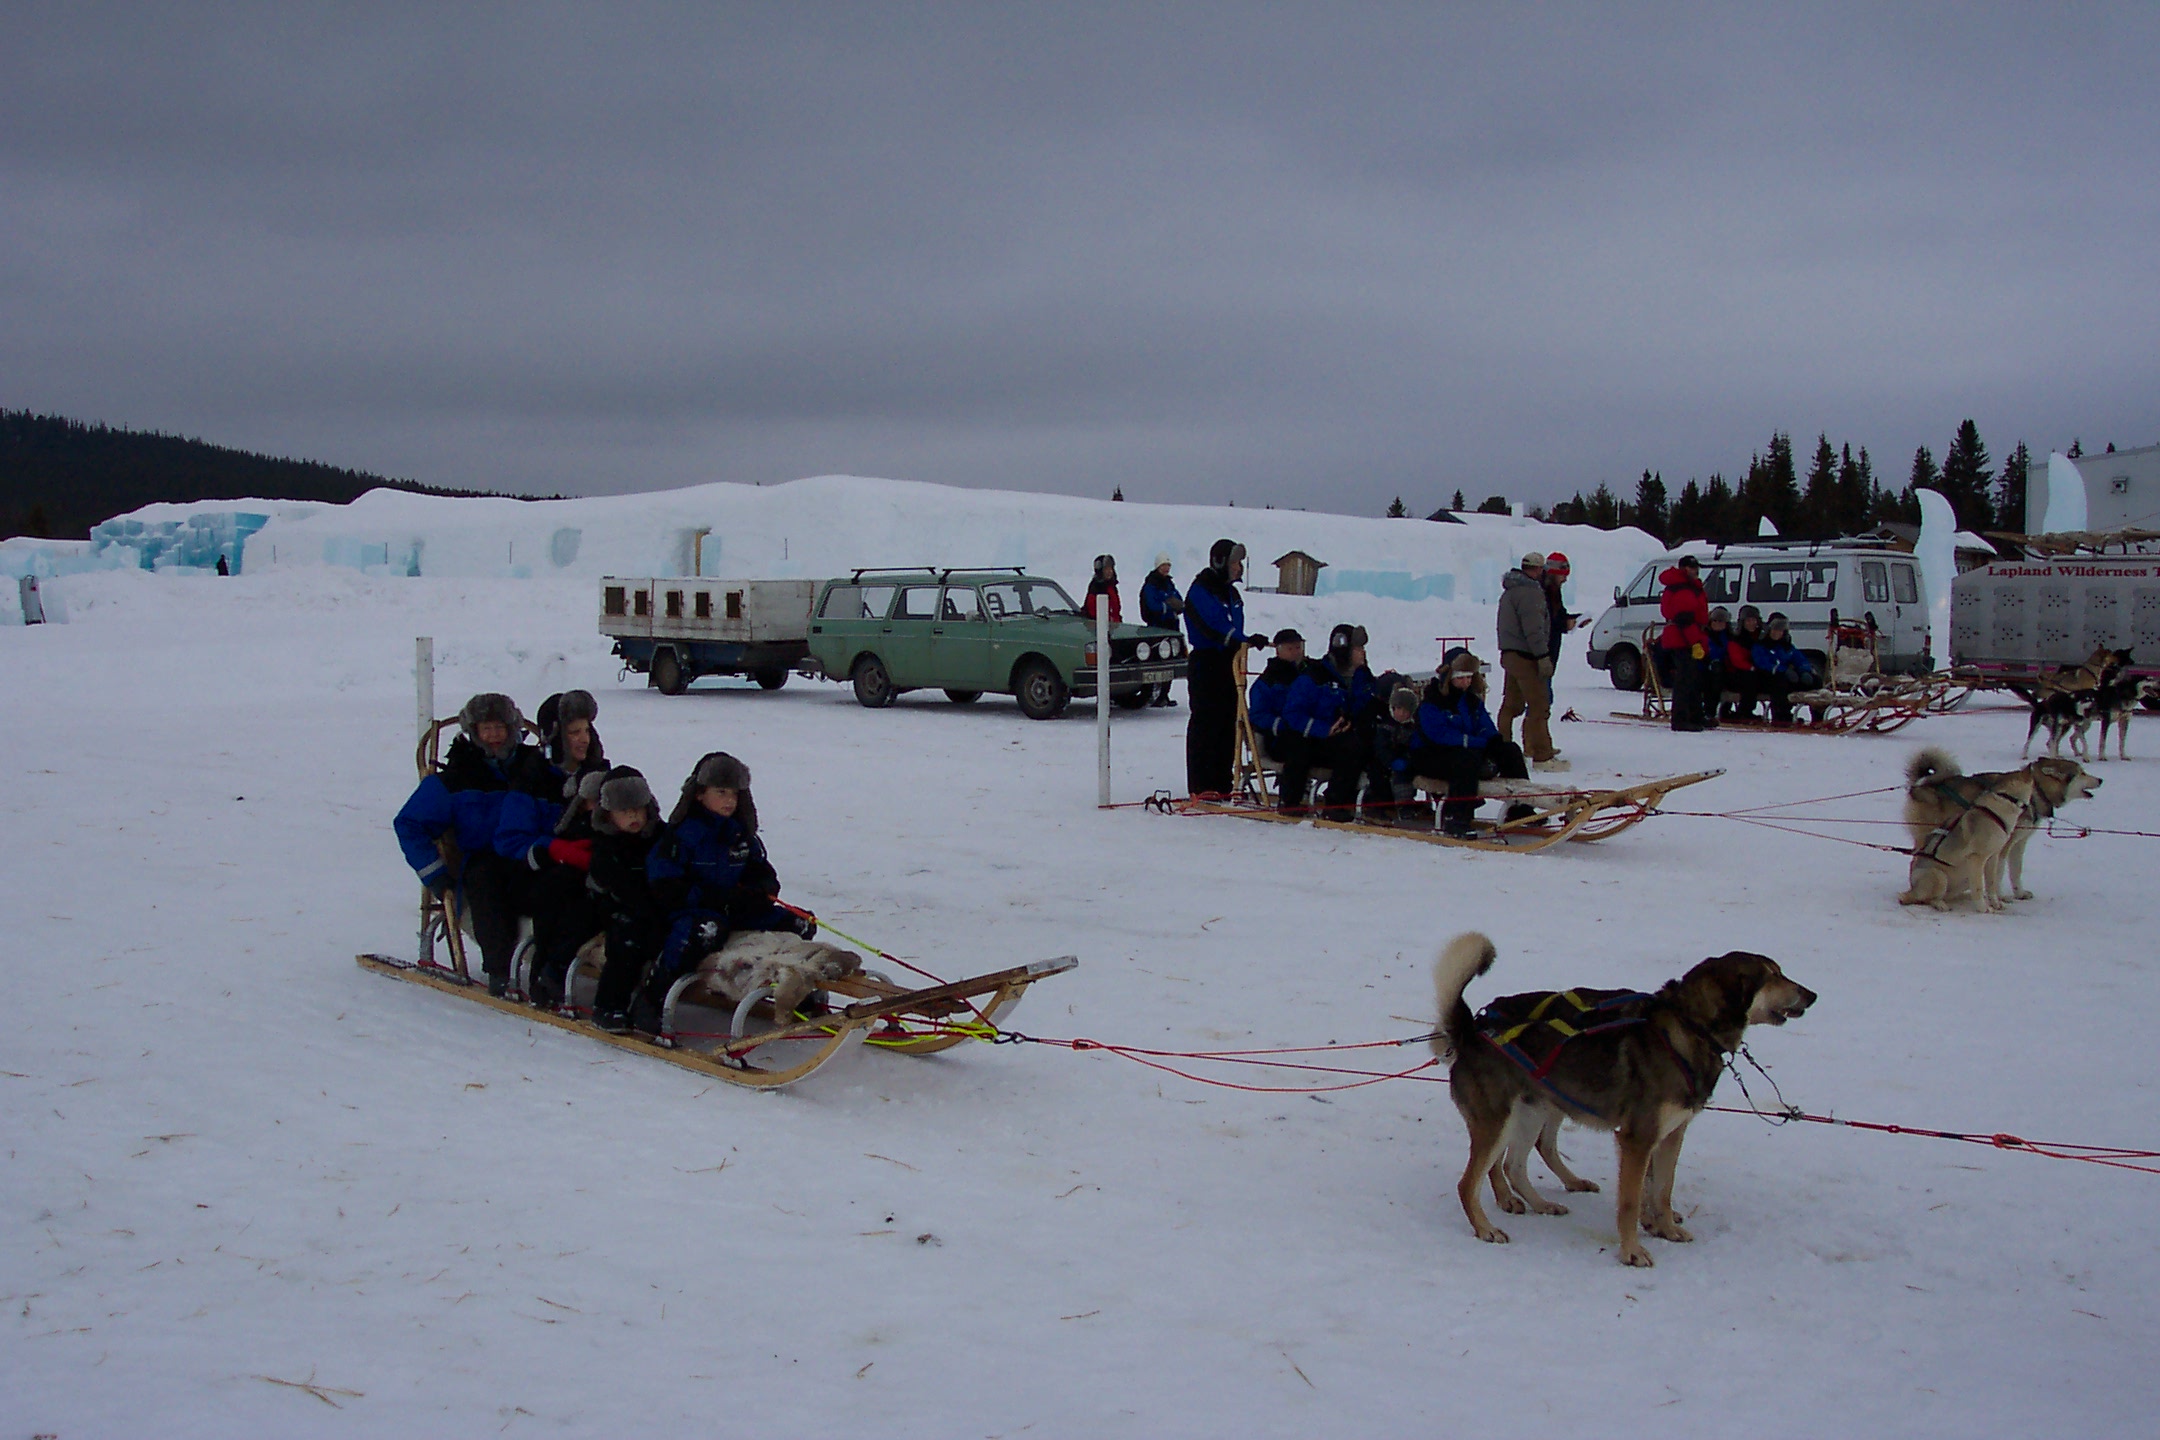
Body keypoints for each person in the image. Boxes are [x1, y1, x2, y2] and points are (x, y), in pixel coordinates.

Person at [639, 752, 812, 1033]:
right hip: (690, 912)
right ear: (699, 794)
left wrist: (761, 891)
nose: (730, 800)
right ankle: (653, 996)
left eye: (734, 793)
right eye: (721, 792)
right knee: (705, 930)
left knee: (800, 922)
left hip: (735, 911)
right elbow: (665, 885)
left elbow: (762, 872)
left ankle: (795, 991)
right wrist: (714, 897)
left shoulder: (740, 834)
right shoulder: (682, 835)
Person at [392, 692, 540, 996]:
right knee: (487, 884)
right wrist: (435, 875)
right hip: (484, 857)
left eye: (500, 728)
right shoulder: (455, 778)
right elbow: (409, 823)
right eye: (486, 729)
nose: (494, 736)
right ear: (473, 733)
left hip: (529, 851)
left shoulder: (534, 768)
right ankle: (498, 969)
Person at [493, 690, 608, 1007]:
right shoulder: (532, 779)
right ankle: (545, 973)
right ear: (556, 737)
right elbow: (509, 840)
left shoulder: (597, 776)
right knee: (565, 886)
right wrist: (555, 849)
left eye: (586, 730)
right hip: (531, 875)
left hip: (587, 867)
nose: (583, 739)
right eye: (574, 732)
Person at [1410, 651, 1531, 838]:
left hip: (1466, 751)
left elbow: (1484, 725)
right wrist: (1475, 742)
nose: (1466, 682)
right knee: (1465, 759)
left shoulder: (1471, 700)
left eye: (1469, 677)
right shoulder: (1433, 701)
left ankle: (1521, 809)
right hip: (1429, 755)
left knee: (1510, 750)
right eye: (1461, 678)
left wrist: (1493, 741)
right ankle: (1457, 818)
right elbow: (1439, 735)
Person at [583, 767, 666, 1033]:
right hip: (614, 907)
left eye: (638, 809)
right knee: (626, 942)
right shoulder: (606, 846)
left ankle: (652, 999)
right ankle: (608, 1005)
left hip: (655, 906)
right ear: (609, 815)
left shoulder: (660, 837)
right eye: (624, 811)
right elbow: (620, 887)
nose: (633, 816)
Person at [1183, 539, 1267, 796]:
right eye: (1235, 562)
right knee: (1206, 722)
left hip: (1230, 663)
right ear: (1220, 562)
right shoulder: (1201, 590)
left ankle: (1221, 781)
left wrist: (1246, 642)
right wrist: (1243, 639)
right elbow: (1215, 627)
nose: (1239, 567)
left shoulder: (1232, 594)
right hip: (1207, 663)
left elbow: (1233, 627)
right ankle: (1201, 784)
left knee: (1228, 722)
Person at [1279, 623, 1376, 817]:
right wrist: (1324, 729)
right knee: (1303, 746)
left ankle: (1367, 799)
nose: (1363, 653)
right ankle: (1322, 803)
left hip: (1342, 735)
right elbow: (1293, 714)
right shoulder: (1315, 676)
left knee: (1365, 745)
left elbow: (1362, 705)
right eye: (1358, 648)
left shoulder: (1360, 676)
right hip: (1311, 737)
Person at [1495, 552, 1565, 772]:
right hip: (1526, 657)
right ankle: (1542, 756)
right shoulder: (1531, 593)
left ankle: (1502, 750)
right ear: (1538, 569)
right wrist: (1543, 656)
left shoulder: (1509, 592)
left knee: (1511, 705)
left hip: (1510, 655)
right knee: (1539, 705)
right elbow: (1534, 630)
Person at [1657, 555, 1710, 732]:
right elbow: (1684, 619)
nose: (1696, 571)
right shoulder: (1682, 588)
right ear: (1684, 568)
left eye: (1696, 568)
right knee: (1685, 680)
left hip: (1685, 636)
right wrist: (1695, 641)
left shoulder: (1686, 586)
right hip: (1682, 637)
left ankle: (1695, 716)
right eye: (1692, 567)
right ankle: (1680, 719)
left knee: (1692, 678)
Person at [1367, 683, 1428, 827]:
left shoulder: (1414, 727)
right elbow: (1380, 748)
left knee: (1406, 776)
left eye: (1405, 710)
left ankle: (1406, 804)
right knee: (1381, 775)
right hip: (1384, 762)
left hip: (1406, 761)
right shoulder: (1385, 726)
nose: (1401, 713)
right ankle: (1379, 806)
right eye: (1398, 709)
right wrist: (1391, 760)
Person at [1246, 628, 1306, 768]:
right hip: (1278, 738)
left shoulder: (1308, 672)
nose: (1295, 652)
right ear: (1278, 651)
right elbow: (1258, 715)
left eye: (1298, 648)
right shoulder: (1267, 682)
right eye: (1290, 649)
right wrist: (1283, 724)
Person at [1751, 612, 1819, 727]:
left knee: (1815, 681)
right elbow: (1762, 663)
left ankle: (1818, 715)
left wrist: (1804, 671)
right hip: (1766, 679)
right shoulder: (1761, 646)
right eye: (1775, 629)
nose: (1777, 633)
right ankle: (1781, 716)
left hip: (1787, 678)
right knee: (1779, 681)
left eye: (1780, 630)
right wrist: (1783, 670)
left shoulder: (1787, 647)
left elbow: (1800, 659)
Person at [1138, 554, 1185, 706]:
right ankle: (1152, 694)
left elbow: (1178, 600)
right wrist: (1169, 606)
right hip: (1157, 627)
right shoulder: (1151, 585)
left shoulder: (1168, 583)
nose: (1166, 568)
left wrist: (1176, 605)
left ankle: (1164, 694)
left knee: (1170, 662)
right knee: (1157, 662)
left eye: (1168, 565)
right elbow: (1152, 605)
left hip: (1171, 626)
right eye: (1163, 565)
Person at [1540, 551, 1580, 706]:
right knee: (1543, 700)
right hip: (1542, 653)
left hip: (1549, 653)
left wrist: (1575, 619)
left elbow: (1559, 615)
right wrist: (1565, 624)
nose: (1565, 579)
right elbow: (1546, 621)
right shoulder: (1542, 592)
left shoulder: (1554, 591)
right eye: (1563, 575)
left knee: (1544, 700)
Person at [1723, 605, 1766, 721]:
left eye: (1753, 620)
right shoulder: (1736, 639)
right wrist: (1751, 667)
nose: (1751, 623)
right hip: (1736, 674)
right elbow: (1737, 660)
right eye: (1748, 620)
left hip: (1756, 672)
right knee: (1750, 680)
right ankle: (1745, 711)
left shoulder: (1761, 638)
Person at [1698, 607, 1735, 731]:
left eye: (1721, 621)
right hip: (1705, 669)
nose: (1718, 624)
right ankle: (1709, 712)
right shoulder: (1704, 635)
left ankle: (1726, 710)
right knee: (1712, 681)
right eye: (1715, 621)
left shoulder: (1729, 637)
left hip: (1724, 668)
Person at [1081, 554, 1122, 625]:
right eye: (1106, 569)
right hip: (1099, 628)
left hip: (1114, 627)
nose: (1109, 571)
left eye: (1111, 568)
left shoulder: (1112, 587)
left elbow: (1116, 611)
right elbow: (1092, 612)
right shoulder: (1095, 589)